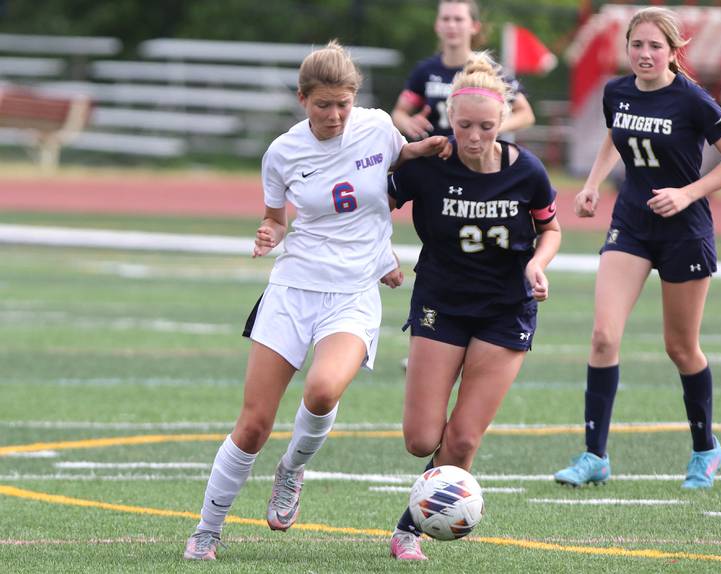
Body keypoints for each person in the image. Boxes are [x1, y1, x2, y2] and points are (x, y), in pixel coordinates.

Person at [182, 40, 447, 561]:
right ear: (303, 99)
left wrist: (425, 151)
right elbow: (276, 220)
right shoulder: (282, 152)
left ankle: (292, 469)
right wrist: (266, 234)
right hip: (292, 289)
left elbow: (396, 171)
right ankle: (207, 530)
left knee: (324, 391)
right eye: (323, 104)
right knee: (254, 423)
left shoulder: (375, 125)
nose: (334, 115)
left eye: (343, 103)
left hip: (352, 293)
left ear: (356, 98)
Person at [553, 7, 721, 490]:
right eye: (637, 45)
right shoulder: (616, 92)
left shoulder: (693, 100)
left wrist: (687, 192)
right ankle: (594, 455)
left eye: (654, 46)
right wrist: (593, 184)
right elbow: (615, 138)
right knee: (603, 336)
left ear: (672, 51)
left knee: (680, 347)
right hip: (632, 224)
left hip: (685, 230)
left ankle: (706, 449)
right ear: (627, 48)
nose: (644, 54)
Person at [386, 51, 562, 561]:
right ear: (450, 120)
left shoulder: (526, 170)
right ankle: (427, 493)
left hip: (506, 309)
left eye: (486, 126)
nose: (475, 136)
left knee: (461, 442)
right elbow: (373, 198)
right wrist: (382, 253)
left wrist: (538, 264)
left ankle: (407, 530)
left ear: (503, 122)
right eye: (464, 125)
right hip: (442, 302)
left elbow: (550, 226)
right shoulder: (427, 166)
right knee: (422, 439)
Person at [391, 0, 534, 141]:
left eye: (458, 19)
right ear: (437, 25)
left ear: (474, 26)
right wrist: (408, 123)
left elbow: (526, 114)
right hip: (434, 157)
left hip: (477, 157)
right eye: (446, 19)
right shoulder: (425, 70)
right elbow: (399, 113)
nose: (451, 25)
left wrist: (493, 127)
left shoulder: (488, 70)